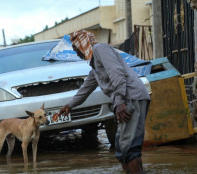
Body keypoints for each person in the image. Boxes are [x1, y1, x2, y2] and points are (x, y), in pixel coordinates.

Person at [58, 30, 150, 174]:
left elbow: (117, 74)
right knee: (121, 148)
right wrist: (69, 105)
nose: (76, 54)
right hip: (127, 99)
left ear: (83, 45)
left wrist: (120, 102)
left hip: (131, 97)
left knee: (129, 148)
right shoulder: (95, 65)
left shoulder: (100, 49)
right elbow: (86, 88)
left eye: (76, 49)